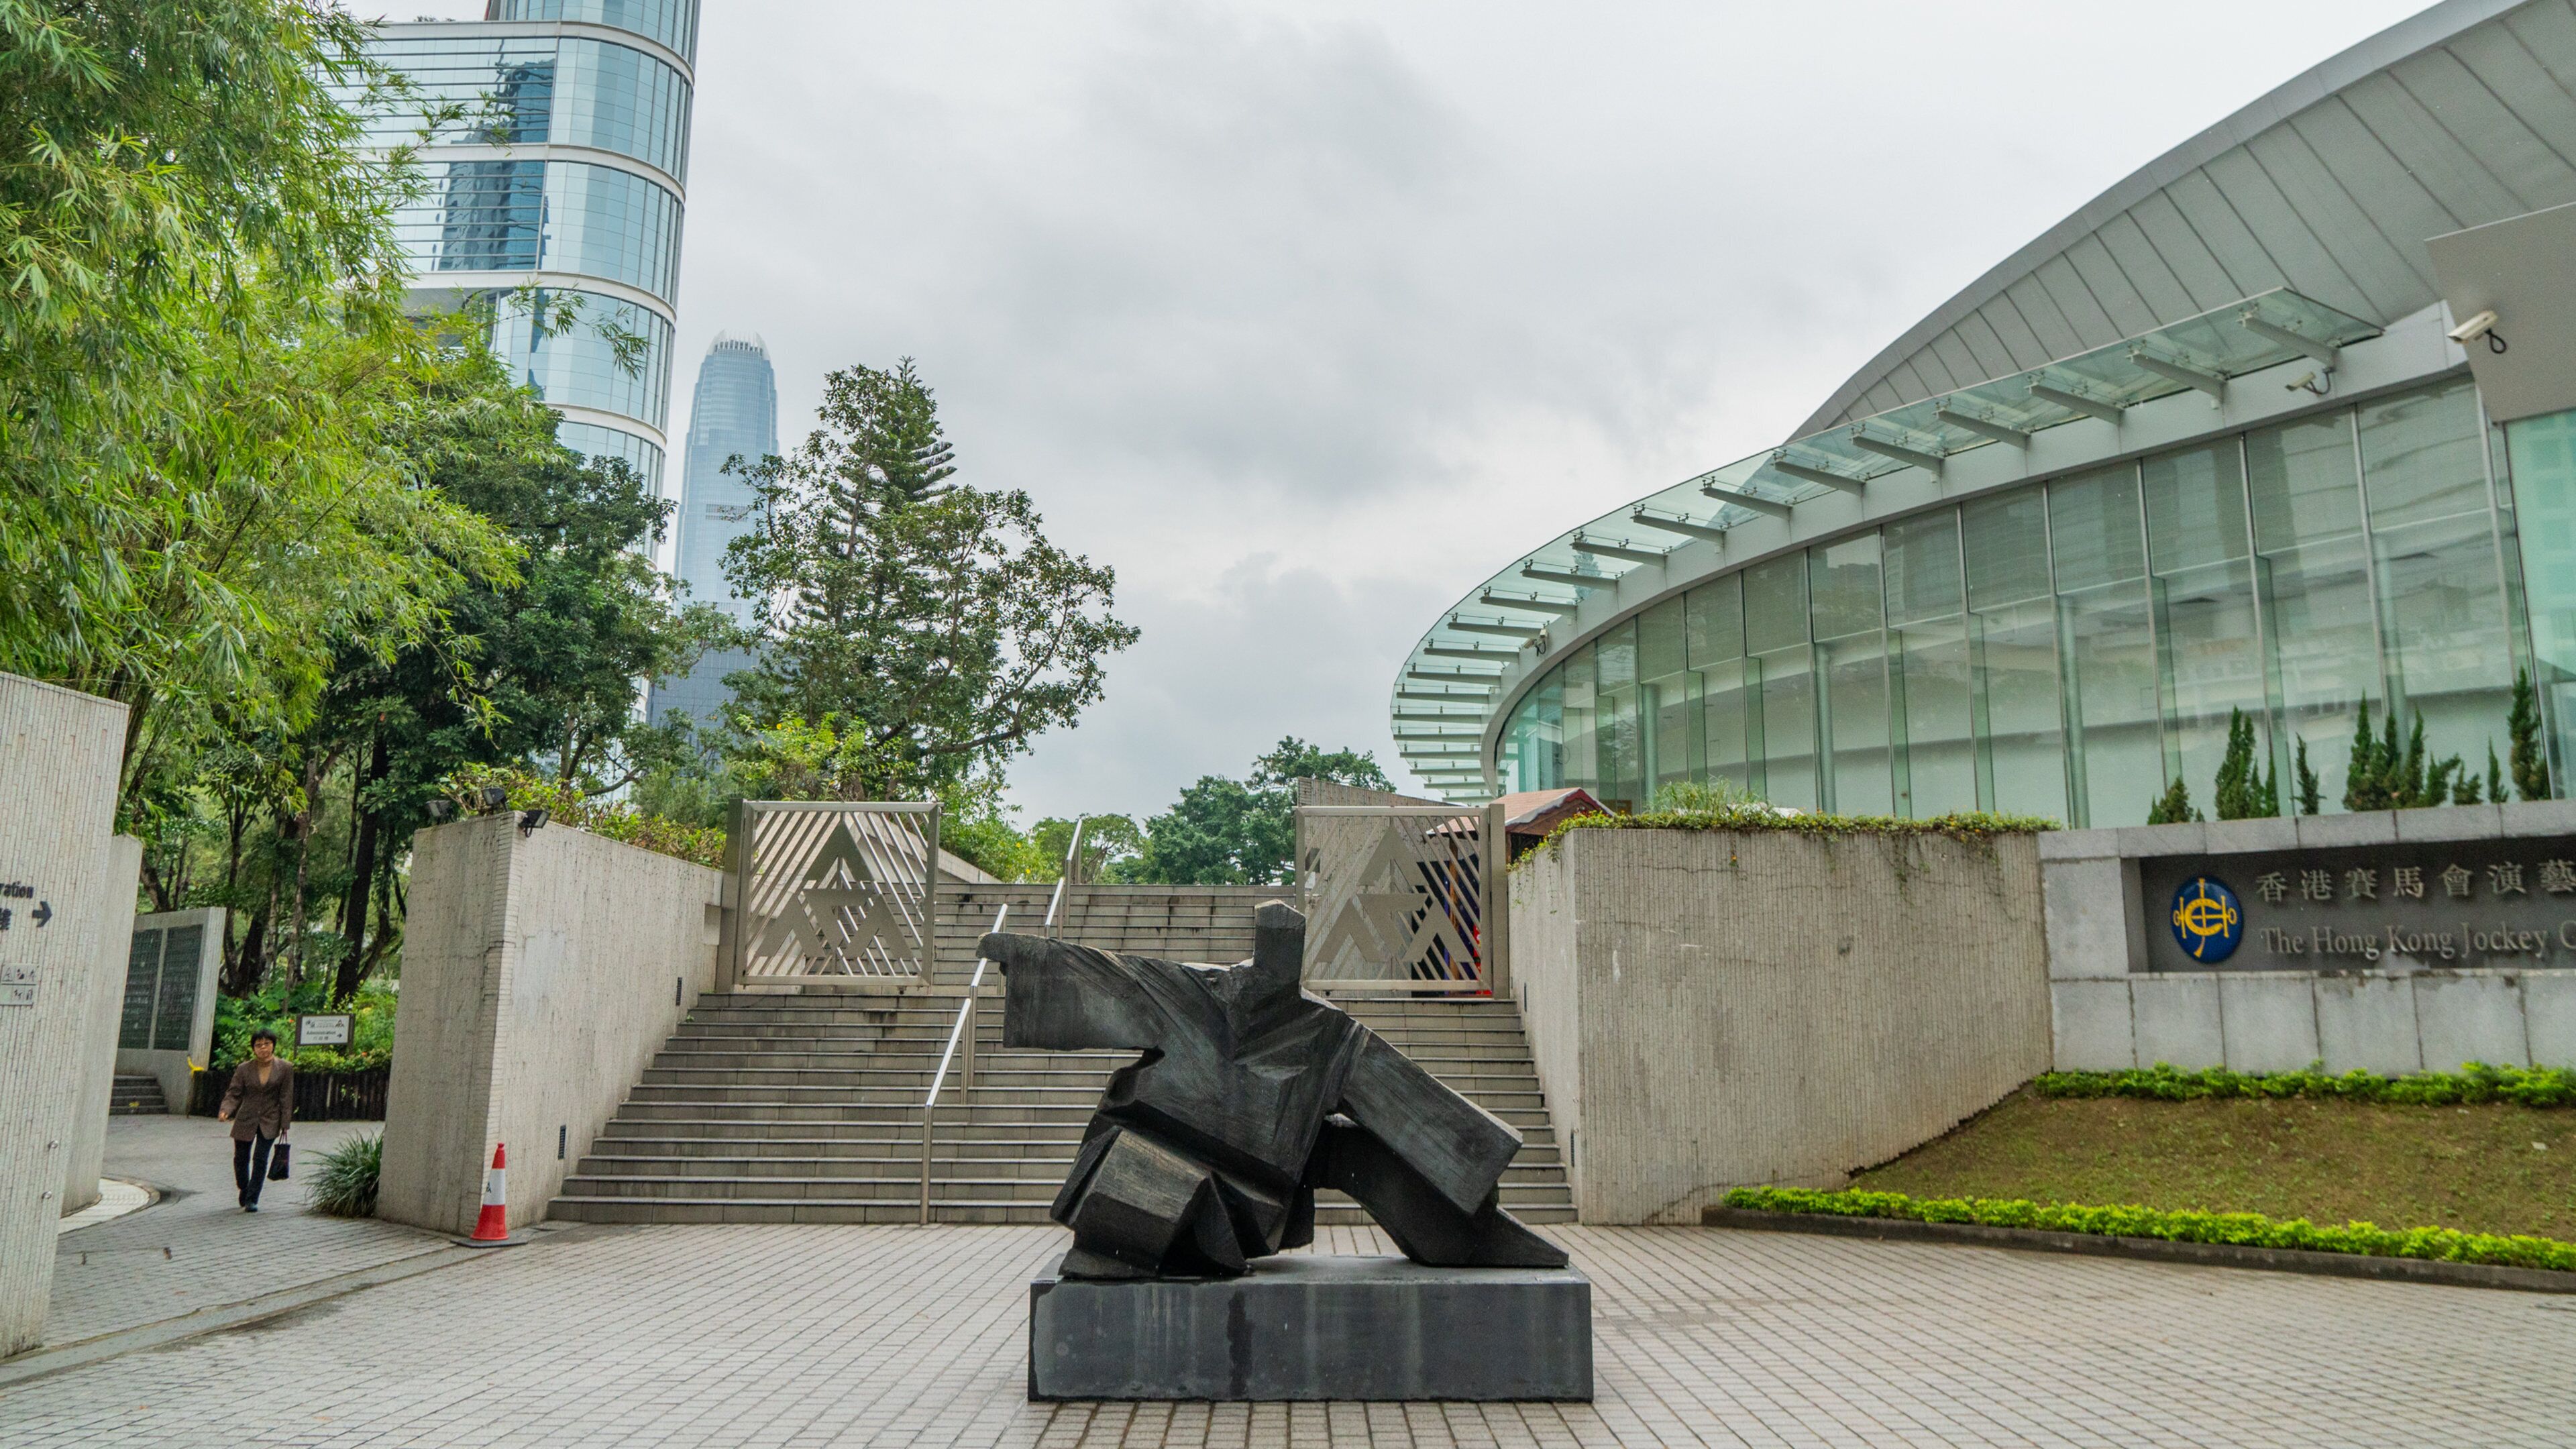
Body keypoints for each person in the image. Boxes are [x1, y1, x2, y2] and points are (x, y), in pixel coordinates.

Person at [218, 1028, 294, 1212]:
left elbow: (286, 1096)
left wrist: (285, 1123)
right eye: (259, 1045)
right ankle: (244, 1187)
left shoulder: (285, 1068)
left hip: (270, 1119)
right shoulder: (244, 1069)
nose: (263, 1048)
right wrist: (226, 1110)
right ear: (253, 1049)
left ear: (273, 1045)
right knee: (241, 1159)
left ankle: (252, 1198)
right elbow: (234, 1093)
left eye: (267, 1044)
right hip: (246, 1118)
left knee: (261, 1159)